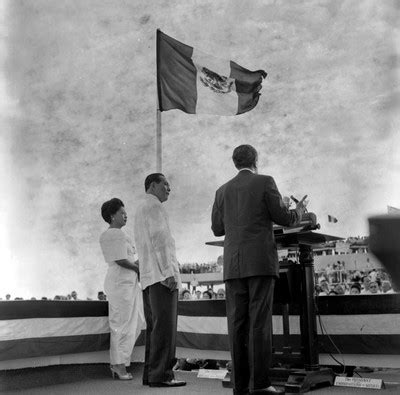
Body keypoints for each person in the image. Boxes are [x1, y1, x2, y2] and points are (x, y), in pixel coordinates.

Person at [211, 144, 307, 395]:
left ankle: (240, 385)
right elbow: (285, 218)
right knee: (259, 324)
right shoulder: (266, 182)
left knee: (238, 324)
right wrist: (299, 210)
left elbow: (217, 229)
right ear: (256, 160)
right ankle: (261, 383)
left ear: (235, 163)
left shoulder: (221, 191)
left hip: (233, 264)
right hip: (260, 263)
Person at [133, 173, 186, 388]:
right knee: (164, 328)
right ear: (152, 185)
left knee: (155, 328)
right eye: (165, 184)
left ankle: (151, 374)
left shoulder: (140, 208)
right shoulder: (155, 207)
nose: (169, 188)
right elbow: (160, 241)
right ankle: (163, 375)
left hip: (148, 277)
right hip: (161, 276)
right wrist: (169, 273)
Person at [99, 198, 144, 380]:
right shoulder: (111, 234)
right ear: (112, 216)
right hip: (120, 283)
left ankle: (121, 361)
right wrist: (137, 267)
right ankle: (118, 364)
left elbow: (129, 258)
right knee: (121, 323)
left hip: (129, 282)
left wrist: (139, 265)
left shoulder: (122, 234)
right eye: (122, 213)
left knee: (136, 322)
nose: (125, 216)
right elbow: (119, 259)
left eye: (126, 213)